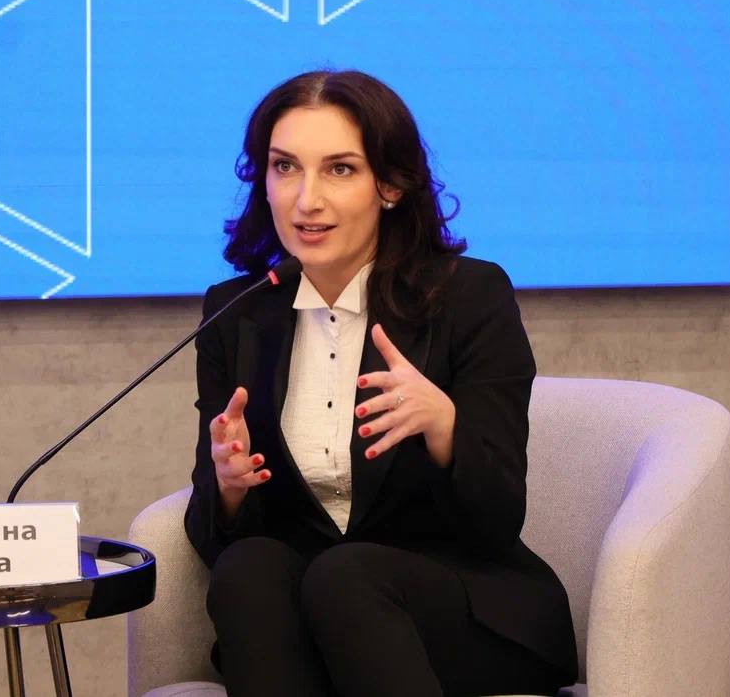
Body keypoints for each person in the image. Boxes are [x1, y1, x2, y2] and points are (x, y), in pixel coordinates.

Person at [185, 70, 577, 697]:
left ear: (390, 185)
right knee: (248, 568)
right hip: (315, 619)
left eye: (339, 169)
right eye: (285, 168)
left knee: (347, 576)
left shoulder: (469, 298)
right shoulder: (238, 314)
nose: (306, 199)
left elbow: (498, 520)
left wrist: (444, 426)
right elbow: (213, 543)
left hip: (460, 611)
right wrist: (229, 489)